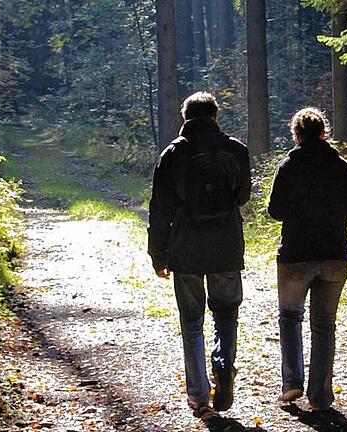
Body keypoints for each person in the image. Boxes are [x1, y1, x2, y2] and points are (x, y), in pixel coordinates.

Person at [147, 91, 251, 418]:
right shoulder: (236, 150)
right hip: (226, 246)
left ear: (184, 117)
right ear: (215, 116)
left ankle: (199, 396)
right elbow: (243, 196)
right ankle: (223, 364)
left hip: (186, 249)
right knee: (226, 314)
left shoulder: (173, 154)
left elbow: (160, 210)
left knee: (192, 323)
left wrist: (158, 255)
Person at [267, 107, 347, 412]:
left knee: (291, 318)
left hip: (295, 255)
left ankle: (292, 383)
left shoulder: (288, 166)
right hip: (334, 254)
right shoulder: (341, 167)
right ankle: (320, 395)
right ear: (324, 133)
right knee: (324, 325)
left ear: (296, 135)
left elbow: (274, 211)